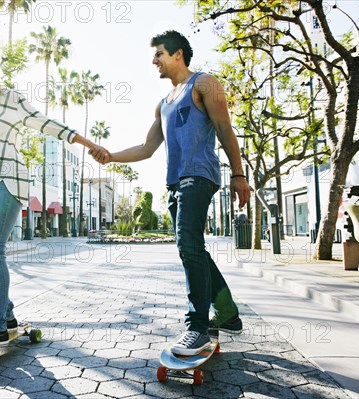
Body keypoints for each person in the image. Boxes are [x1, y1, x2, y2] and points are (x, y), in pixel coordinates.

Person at [90, 30, 251, 356]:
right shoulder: (163, 104)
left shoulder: (204, 84)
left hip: (199, 176)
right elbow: (148, 148)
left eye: (159, 53)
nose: (154, 60)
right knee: (195, 249)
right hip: (175, 183)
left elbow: (224, 128)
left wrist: (238, 174)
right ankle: (228, 312)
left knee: (187, 245)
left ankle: (198, 327)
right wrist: (111, 155)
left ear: (178, 54)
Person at [0, 43, 107, 351]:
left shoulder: (9, 98)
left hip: (9, 178)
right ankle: (6, 314)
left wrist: (89, 144)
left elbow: (48, 124)